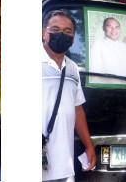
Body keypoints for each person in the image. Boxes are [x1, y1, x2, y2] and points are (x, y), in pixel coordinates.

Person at [41, 9, 97, 182]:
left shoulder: (72, 68)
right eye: (55, 30)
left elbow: (77, 108)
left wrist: (89, 146)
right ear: (44, 32)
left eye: (67, 31)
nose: (61, 35)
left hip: (63, 164)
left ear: (73, 37)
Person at [88, 17, 126, 84]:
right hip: (106, 90)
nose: (114, 30)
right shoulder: (97, 44)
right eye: (110, 27)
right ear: (103, 28)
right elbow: (94, 74)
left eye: (117, 27)